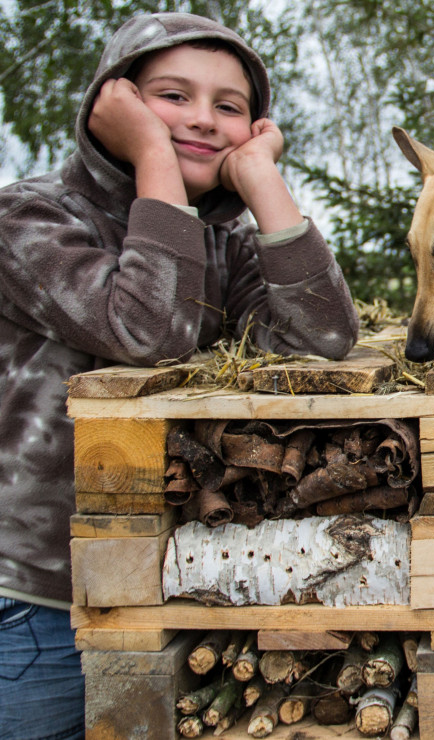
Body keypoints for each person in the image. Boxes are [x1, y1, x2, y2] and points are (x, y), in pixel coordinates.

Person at [0, 12, 359, 738]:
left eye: (231, 107)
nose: (202, 119)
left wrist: (261, 180)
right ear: (115, 103)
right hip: (39, 608)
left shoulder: (220, 244)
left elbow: (324, 338)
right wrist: (155, 161)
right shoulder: (29, 218)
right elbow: (145, 331)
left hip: (176, 592)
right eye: (171, 97)